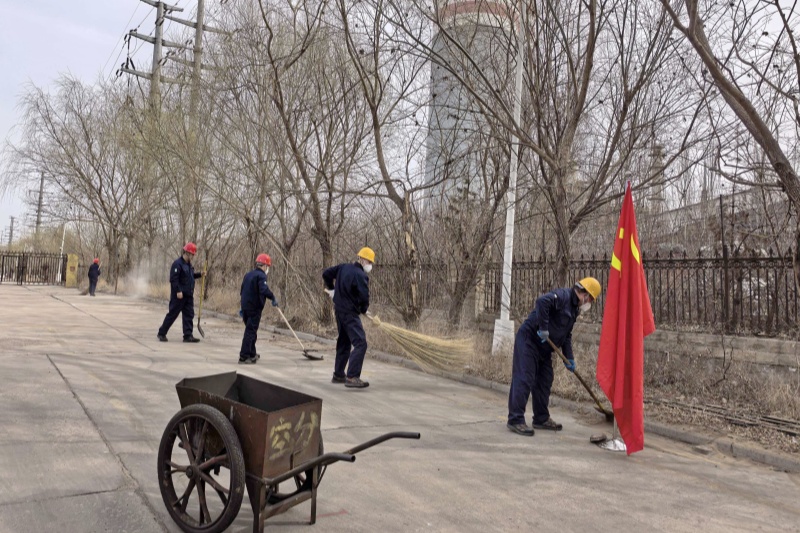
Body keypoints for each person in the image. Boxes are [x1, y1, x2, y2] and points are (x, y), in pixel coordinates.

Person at [506, 277, 602, 436]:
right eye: (591, 299)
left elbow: (567, 335)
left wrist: (569, 357)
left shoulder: (574, 310)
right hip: (529, 340)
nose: (589, 303)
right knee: (524, 378)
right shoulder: (563, 296)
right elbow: (542, 302)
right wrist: (543, 328)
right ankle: (515, 419)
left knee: (545, 380)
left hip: (545, 348)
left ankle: (541, 418)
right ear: (585, 294)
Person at [322, 247, 374, 389]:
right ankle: (352, 377)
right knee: (360, 343)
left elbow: (326, 273)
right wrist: (363, 309)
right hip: (350, 314)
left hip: (339, 311)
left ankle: (338, 374)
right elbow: (364, 297)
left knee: (344, 342)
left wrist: (332, 288)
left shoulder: (343, 267)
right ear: (362, 259)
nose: (370, 265)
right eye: (369, 261)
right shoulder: (361, 275)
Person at [157, 242, 204, 343]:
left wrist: (200, 274)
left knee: (189, 315)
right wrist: (178, 291)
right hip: (179, 296)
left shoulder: (189, 265)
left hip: (188, 295)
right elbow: (173, 279)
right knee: (172, 314)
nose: (193, 257)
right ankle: (161, 333)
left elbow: (190, 276)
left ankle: (188, 336)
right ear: (187, 253)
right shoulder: (177, 264)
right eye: (192, 254)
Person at [238, 253, 278, 364]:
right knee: (250, 332)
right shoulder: (261, 276)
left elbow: (242, 290)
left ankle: (252, 353)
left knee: (251, 331)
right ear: (264, 266)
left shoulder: (248, 274)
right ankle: (244, 356)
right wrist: (272, 297)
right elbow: (263, 290)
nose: (267, 269)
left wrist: (242, 306)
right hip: (254, 308)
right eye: (267, 266)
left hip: (246, 307)